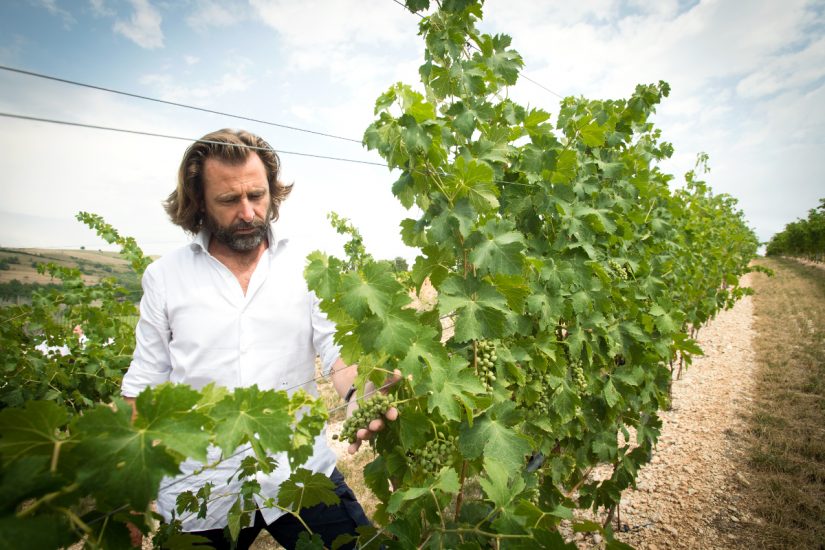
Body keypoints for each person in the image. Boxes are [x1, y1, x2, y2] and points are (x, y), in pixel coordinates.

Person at [121, 128, 398, 549]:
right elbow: (144, 385)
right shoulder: (164, 278)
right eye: (230, 200)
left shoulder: (308, 266)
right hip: (202, 490)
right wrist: (129, 493)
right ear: (198, 202)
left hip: (300, 473)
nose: (248, 212)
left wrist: (363, 392)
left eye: (258, 195)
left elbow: (337, 351)